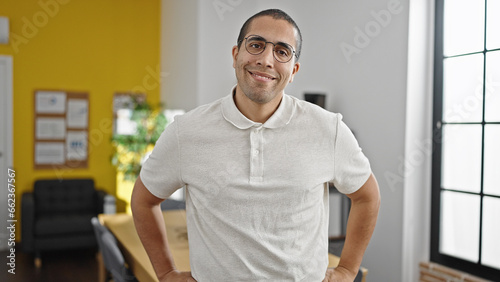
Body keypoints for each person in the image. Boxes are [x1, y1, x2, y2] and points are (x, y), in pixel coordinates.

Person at [131, 9, 380, 282]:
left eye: (282, 51)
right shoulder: (186, 132)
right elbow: (144, 199)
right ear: (236, 54)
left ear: (293, 70)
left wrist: (347, 269)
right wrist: (166, 273)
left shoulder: (328, 129)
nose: (266, 60)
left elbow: (367, 196)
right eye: (256, 45)